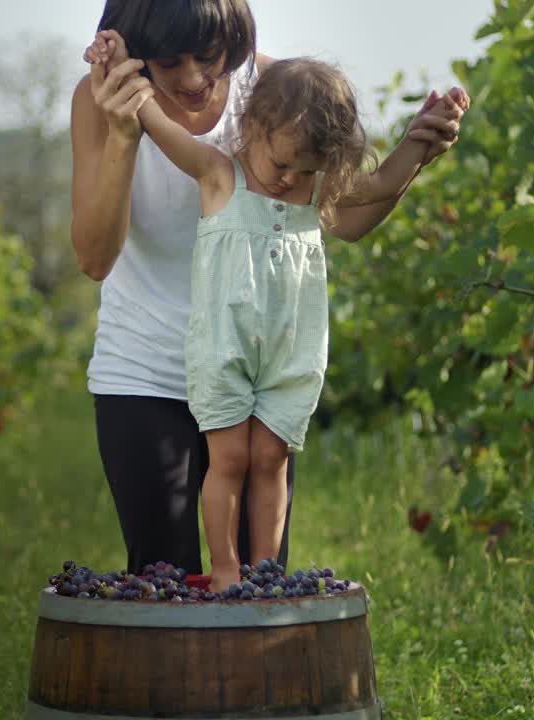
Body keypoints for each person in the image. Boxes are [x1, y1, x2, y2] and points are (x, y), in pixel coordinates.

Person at [70, 0, 468, 578]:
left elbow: (346, 215)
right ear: (133, 53)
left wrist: (419, 150)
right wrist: (125, 134)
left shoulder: (277, 94)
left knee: (258, 585)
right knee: (162, 582)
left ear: (234, 38)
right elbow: (94, 257)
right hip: (145, 370)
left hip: (256, 373)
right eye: (167, 61)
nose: (190, 78)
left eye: (207, 57)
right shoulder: (100, 100)